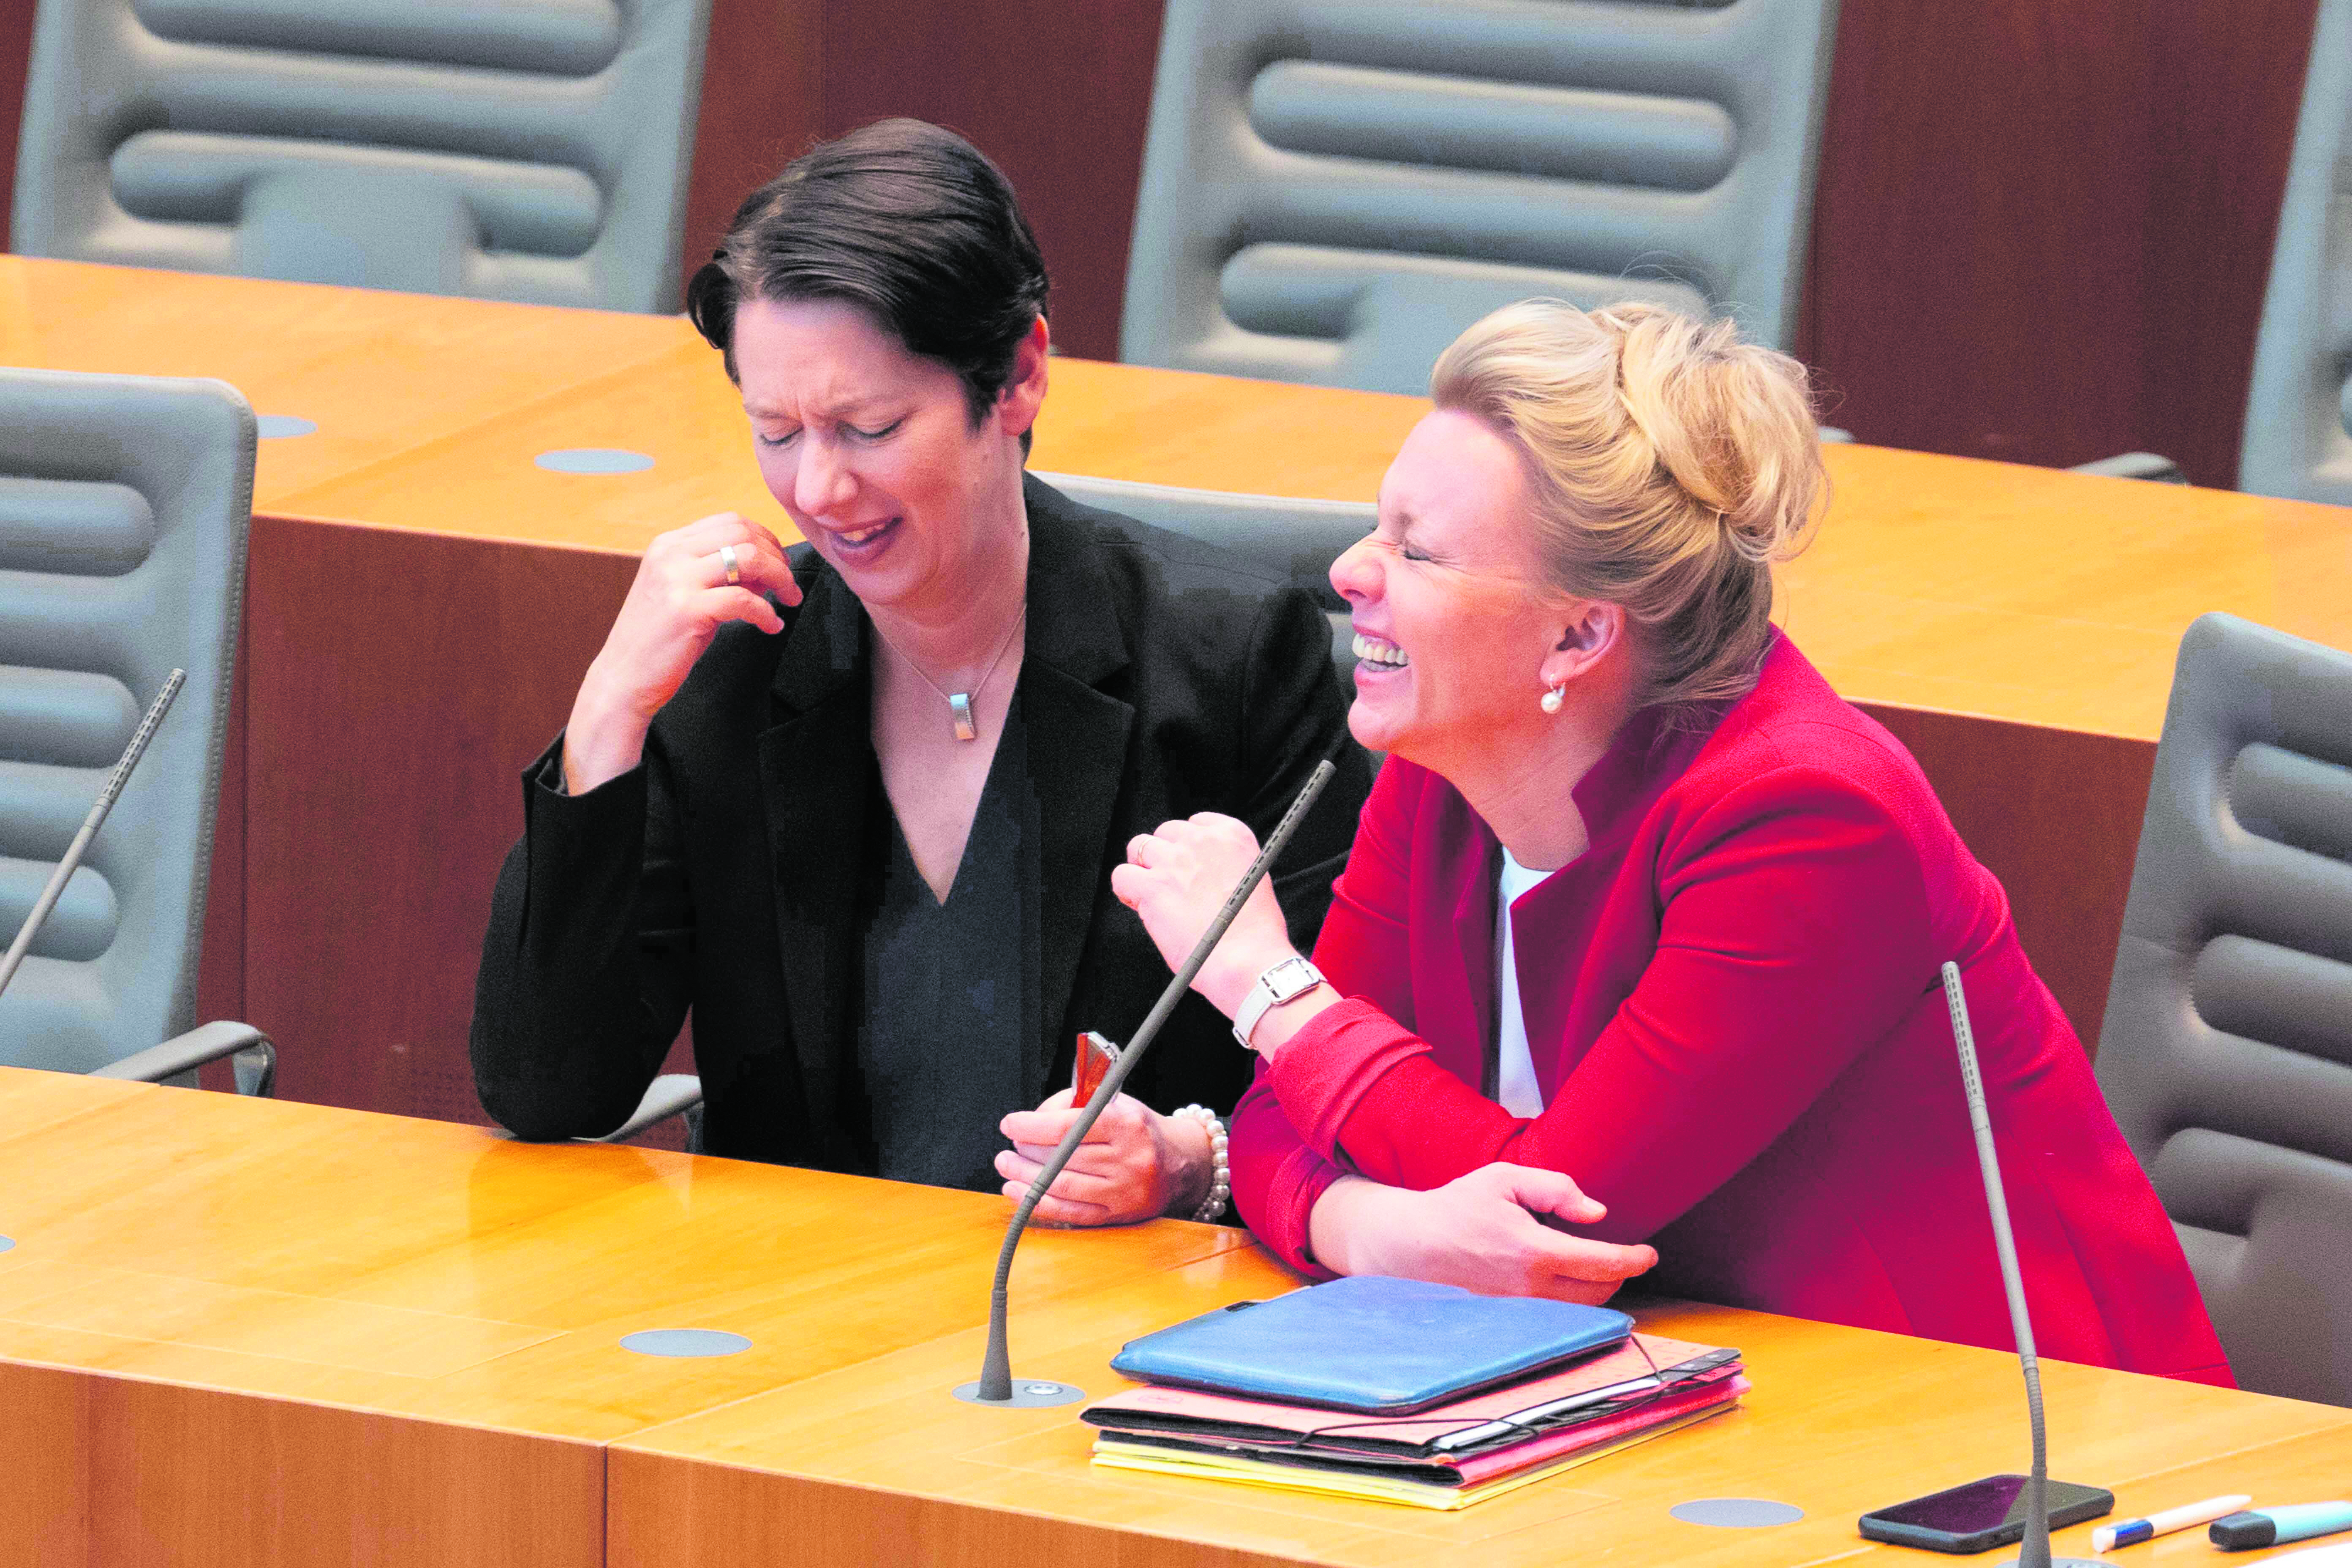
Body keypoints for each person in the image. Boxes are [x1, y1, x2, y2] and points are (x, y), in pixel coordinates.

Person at [1112, 300, 2231, 1382]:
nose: (1350, 574)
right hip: (1670, 1388)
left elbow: (1556, 1211)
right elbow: (1285, 1116)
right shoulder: (1447, 766)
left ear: (1580, 634)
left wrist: (1270, 990)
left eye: (1420, 554)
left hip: (1981, 1443)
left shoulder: (1811, 819)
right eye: (1377, 530)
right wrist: (1374, 1233)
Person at [470, 119, 1370, 1225]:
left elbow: (1351, 1087)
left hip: (1104, 1331)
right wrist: (605, 716)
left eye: (872, 427)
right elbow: (547, 1087)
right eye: (777, 431)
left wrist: (1191, 1162)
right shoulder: (736, 664)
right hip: (793, 1319)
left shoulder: (1234, 661)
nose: (821, 488)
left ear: (1021, 377)